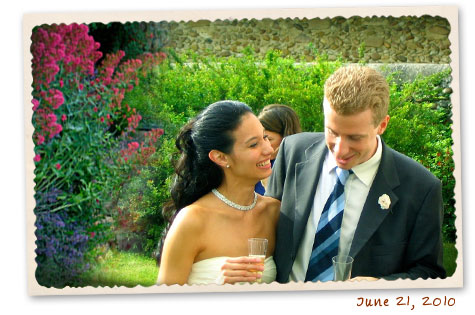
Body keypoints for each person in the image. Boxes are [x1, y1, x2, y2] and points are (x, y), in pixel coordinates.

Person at [266, 65, 446, 283]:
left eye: (355, 138)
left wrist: (382, 286)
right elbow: (266, 228)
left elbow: (428, 272)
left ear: (382, 125)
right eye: (332, 132)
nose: (340, 151)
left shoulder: (421, 188)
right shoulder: (292, 151)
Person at [157, 100, 280, 285]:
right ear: (221, 157)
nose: (268, 150)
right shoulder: (192, 220)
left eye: (265, 138)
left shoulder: (274, 212)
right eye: (254, 145)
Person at [254, 104, 302, 195]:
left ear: (286, 137)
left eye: (269, 139)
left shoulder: (298, 168)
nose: (264, 147)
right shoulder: (261, 162)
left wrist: (268, 186)